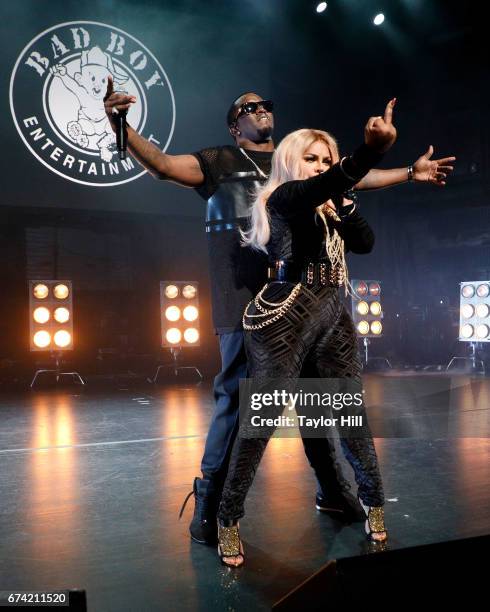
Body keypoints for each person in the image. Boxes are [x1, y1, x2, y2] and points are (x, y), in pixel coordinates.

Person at [103, 82, 455, 546]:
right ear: (235, 125)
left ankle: (332, 490)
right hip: (244, 295)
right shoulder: (219, 161)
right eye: (248, 107)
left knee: (315, 398)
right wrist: (120, 125)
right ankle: (211, 504)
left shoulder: (296, 162)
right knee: (240, 400)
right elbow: (164, 166)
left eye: (265, 104)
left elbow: (349, 179)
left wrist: (409, 171)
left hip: (301, 297)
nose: (261, 110)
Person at [215, 101, 399, 567]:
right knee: (261, 425)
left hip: (333, 315)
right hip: (286, 316)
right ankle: (227, 518)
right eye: (312, 158)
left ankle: (369, 504)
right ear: (292, 162)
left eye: (326, 158)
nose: (321, 166)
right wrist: (369, 152)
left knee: (346, 417)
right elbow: (326, 183)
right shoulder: (285, 198)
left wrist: (347, 207)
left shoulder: (332, 204)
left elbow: (365, 243)